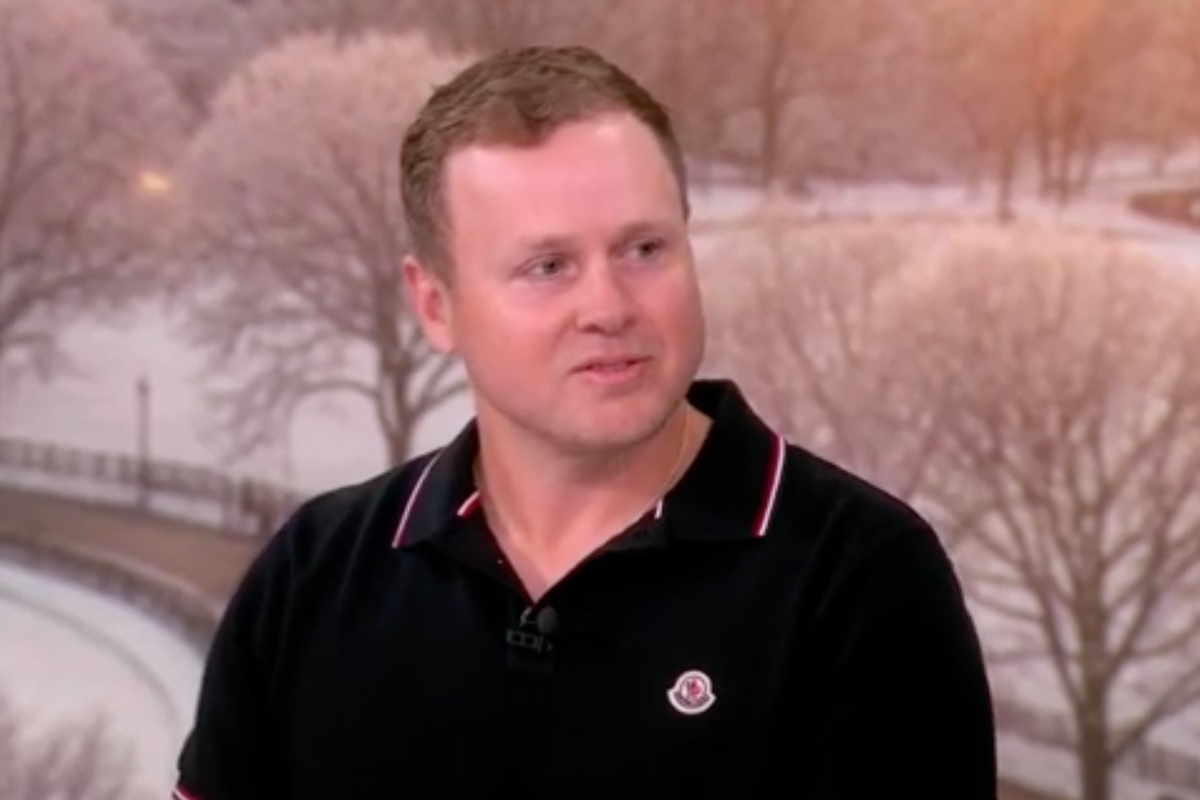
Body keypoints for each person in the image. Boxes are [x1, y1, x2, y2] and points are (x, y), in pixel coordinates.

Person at [173, 45, 997, 800]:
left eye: (644, 250)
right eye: (548, 266)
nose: (608, 306)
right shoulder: (313, 576)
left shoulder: (860, 578)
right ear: (435, 305)